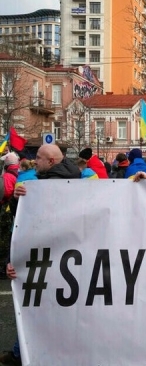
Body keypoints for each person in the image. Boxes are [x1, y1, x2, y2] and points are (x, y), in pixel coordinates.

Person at [0, 144, 80, 366]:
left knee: (34, 306)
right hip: (58, 258)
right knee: (36, 305)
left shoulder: (67, 185)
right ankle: (22, 352)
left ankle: (24, 353)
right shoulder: (37, 186)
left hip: (58, 259)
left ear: (51, 162)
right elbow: (24, 225)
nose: (34, 160)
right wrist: (19, 200)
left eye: (38, 157)